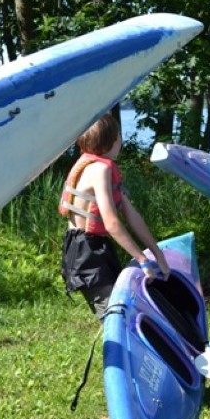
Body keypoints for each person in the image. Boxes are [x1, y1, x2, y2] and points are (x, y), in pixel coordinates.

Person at [59, 113, 170, 320]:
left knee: (126, 311)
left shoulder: (104, 167)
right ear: (115, 139)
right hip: (85, 252)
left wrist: (157, 254)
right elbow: (111, 222)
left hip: (97, 247)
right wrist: (142, 260)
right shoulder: (99, 169)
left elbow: (132, 216)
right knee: (116, 317)